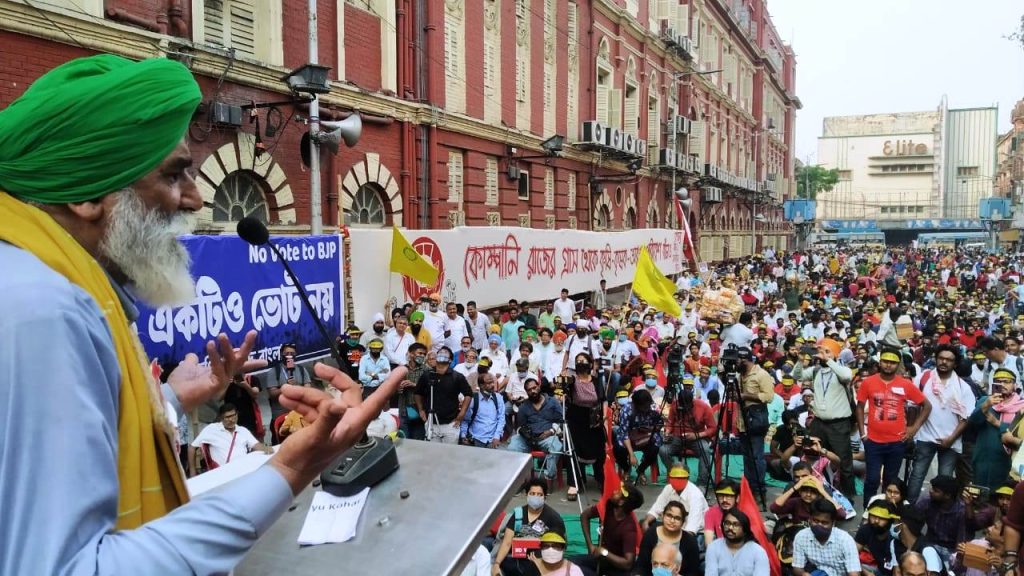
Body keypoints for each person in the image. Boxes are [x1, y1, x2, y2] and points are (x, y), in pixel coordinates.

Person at [0, 54, 402, 575]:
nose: (193, 197)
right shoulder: (44, 312)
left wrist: (166, 400)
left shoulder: (38, 285)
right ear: (89, 195)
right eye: (174, 174)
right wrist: (293, 466)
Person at [857, 349, 931, 505]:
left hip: (897, 442)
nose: (888, 365)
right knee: (872, 479)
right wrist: (862, 433)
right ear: (880, 362)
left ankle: (887, 513)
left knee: (890, 481)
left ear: (898, 365)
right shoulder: (868, 382)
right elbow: (859, 406)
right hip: (873, 441)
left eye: (893, 363)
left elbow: (926, 406)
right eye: (885, 361)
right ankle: (868, 512)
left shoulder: (905, 384)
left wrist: (913, 429)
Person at [906, 344, 976, 503]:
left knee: (945, 480)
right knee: (917, 474)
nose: (944, 362)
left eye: (949, 360)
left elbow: (966, 418)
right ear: (936, 359)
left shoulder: (962, 388)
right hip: (925, 437)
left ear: (955, 364)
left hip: (950, 440)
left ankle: (939, 511)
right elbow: (912, 405)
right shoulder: (923, 379)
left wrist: (951, 439)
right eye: (941, 358)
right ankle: (909, 508)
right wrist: (911, 429)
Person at [798, 338, 858, 499]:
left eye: (827, 351)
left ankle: (847, 496)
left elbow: (846, 376)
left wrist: (830, 360)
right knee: (813, 455)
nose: (822, 354)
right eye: (821, 351)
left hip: (838, 424)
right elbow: (798, 375)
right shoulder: (816, 370)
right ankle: (817, 489)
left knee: (844, 461)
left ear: (835, 354)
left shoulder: (840, 369)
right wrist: (801, 362)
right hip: (819, 423)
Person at [492, 478, 567, 576]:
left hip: (540, 564)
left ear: (545, 497)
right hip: (514, 560)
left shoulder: (554, 518)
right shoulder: (518, 514)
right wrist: (497, 564)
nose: (535, 497)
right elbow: (507, 542)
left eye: (539, 494)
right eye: (532, 494)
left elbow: (558, 547)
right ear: (527, 495)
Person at [968, 368, 1024, 489]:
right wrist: (986, 405)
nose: (1002, 385)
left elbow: (1020, 436)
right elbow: (972, 423)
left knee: (1003, 499)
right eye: (998, 381)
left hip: (1007, 462)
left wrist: (998, 423)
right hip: (983, 458)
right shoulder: (985, 401)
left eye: (1007, 381)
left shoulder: (1021, 406)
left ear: (1015, 385)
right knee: (980, 498)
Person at [564, 352, 608, 501]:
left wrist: (605, 418)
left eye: (583, 360)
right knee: (573, 449)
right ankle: (574, 483)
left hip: (594, 418)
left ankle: (601, 479)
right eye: (578, 361)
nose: (581, 362)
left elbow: (603, 400)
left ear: (590, 364)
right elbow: (559, 384)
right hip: (576, 419)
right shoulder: (572, 380)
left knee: (599, 450)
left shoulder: (597, 380)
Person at [575, 482, 644, 576]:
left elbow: (628, 563)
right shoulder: (608, 506)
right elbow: (585, 515)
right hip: (600, 559)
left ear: (621, 502)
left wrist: (604, 552)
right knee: (571, 564)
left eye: (618, 492)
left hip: (617, 567)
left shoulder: (629, 528)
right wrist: (590, 545)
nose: (614, 491)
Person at [658, 379, 716, 485]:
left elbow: (713, 428)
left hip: (696, 437)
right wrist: (667, 432)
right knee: (663, 450)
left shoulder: (703, 407)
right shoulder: (675, 405)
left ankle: (702, 482)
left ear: (691, 403)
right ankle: (675, 473)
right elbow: (670, 422)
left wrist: (697, 435)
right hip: (677, 437)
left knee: (705, 449)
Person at [506, 378, 564, 483]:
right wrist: (526, 435)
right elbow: (519, 426)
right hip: (529, 438)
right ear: (526, 392)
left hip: (547, 436)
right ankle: (519, 480)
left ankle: (549, 477)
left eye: (534, 387)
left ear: (539, 386)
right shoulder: (523, 407)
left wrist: (551, 431)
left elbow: (561, 421)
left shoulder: (553, 402)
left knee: (556, 446)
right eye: (529, 390)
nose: (533, 391)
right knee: (512, 447)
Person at [190, 403, 272, 474]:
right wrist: (192, 472)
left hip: (244, 470)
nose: (232, 419)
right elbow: (192, 447)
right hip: (223, 473)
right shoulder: (212, 429)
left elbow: (256, 445)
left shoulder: (243, 430)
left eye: (234, 415)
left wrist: (268, 449)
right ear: (221, 418)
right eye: (228, 417)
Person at [737, 346, 775, 498]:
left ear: (745, 359)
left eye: (739, 360)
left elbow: (769, 396)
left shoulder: (761, 374)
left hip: (756, 420)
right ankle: (748, 488)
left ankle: (760, 490)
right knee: (746, 457)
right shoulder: (740, 375)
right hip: (742, 420)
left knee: (757, 457)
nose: (736, 363)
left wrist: (747, 396)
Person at [415, 346, 473, 444]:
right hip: (431, 423)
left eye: (446, 352)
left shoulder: (457, 377)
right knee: (433, 455)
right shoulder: (427, 375)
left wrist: (462, 413)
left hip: (451, 424)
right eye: (440, 352)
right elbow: (418, 392)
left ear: (450, 360)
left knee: (449, 456)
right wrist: (421, 410)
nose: (442, 353)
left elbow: (468, 394)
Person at [791, 498, 862, 576]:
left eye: (824, 523)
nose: (819, 525)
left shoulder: (845, 540)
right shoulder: (801, 537)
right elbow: (797, 568)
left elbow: (854, 573)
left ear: (833, 523)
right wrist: (803, 574)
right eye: (816, 521)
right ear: (810, 519)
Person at [267, 342, 316, 442]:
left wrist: (295, 387)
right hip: (280, 416)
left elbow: (308, 390)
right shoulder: (274, 372)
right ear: (281, 354)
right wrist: (286, 388)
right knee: (281, 445)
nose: (289, 355)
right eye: (287, 353)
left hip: (299, 416)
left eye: (292, 353)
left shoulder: (302, 370)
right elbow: (272, 394)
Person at [614, 388, 664, 485]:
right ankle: (626, 468)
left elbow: (660, 424)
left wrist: (652, 428)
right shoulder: (627, 410)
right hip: (629, 438)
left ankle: (641, 470)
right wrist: (632, 455)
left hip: (647, 437)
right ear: (636, 404)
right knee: (618, 449)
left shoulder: (653, 408)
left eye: (647, 405)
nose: (646, 408)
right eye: (643, 406)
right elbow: (624, 434)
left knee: (655, 448)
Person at [635, 501, 700, 576]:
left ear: (683, 522)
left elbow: (693, 571)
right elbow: (641, 564)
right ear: (662, 516)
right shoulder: (650, 534)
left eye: (677, 518)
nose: (672, 521)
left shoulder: (690, 542)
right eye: (669, 515)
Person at [641, 466, 708, 536]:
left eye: (680, 478)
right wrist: (646, 522)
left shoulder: (695, 495)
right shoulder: (668, 488)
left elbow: (691, 529)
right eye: (674, 477)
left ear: (687, 478)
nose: (677, 480)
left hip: (695, 533)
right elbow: (655, 510)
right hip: (673, 527)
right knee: (646, 523)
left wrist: (671, 540)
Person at [913, 475, 965, 558]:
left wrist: (956, 558)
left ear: (947, 495)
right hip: (929, 544)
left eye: (935, 491)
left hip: (950, 550)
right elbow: (913, 522)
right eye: (932, 488)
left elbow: (961, 539)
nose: (930, 491)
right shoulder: (926, 501)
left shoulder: (961, 511)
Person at [704, 509, 770, 575]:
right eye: (727, 523)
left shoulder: (758, 551)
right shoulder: (713, 547)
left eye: (736, 525)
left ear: (745, 530)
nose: (730, 528)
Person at [460, 372, 505, 448]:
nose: (493, 385)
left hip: (492, 440)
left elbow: (501, 418)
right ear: (481, 385)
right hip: (476, 439)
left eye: (492, 382)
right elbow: (465, 420)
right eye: (489, 383)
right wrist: (463, 435)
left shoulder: (498, 398)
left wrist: (497, 436)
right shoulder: (473, 399)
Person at [854, 500, 898, 575]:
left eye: (882, 518)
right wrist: (865, 572)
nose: (876, 521)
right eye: (873, 516)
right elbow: (851, 555)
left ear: (890, 520)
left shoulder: (896, 537)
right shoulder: (865, 530)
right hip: (878, 569)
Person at [703, 479, 740, 547]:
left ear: (737, 498)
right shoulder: (711, 512)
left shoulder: (744, 513)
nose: (724, 500)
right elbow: (708, 541)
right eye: (721, 496)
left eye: (729, 496)